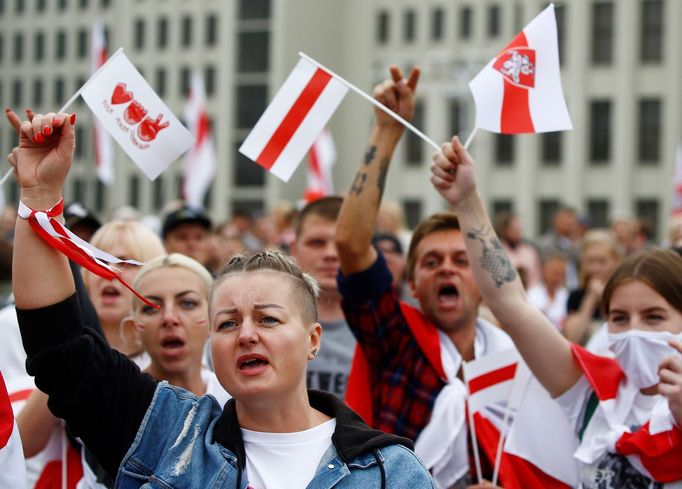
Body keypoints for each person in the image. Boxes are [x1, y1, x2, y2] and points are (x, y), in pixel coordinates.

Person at [12, 111, 434, 488]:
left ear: (313, 340)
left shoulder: (389, 473)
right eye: (228, 323)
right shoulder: (168, 435)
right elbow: (64, 355)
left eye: (268, 319)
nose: (246, 334)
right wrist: (39, 195)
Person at [431, 135, 682, 488]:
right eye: (619, 318)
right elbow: (511, 304)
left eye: (653, 317)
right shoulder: (595, 395)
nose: (633, 331)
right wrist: (467, 201)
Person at [337, 66, 524, 488]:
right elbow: (350, 244)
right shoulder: (395, 338)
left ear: (483, 278)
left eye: (462, 260)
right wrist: (385, 131)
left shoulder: (516, 358)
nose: (446, 268)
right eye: (431, 261)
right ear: (414, 284)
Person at [291, 196, 356, 398]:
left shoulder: (388, 331)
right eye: (317, 243)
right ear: (294, 250)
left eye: (341, 243)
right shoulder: (261, 323)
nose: (330, 253)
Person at [563, 229, 622, 345]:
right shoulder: (576, 296)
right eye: (590, 261)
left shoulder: (623, 294)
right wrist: (591, 297)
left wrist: (604, 299)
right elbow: (573, 338)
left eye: (602, 261)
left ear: (615, 262)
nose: (595, 267)